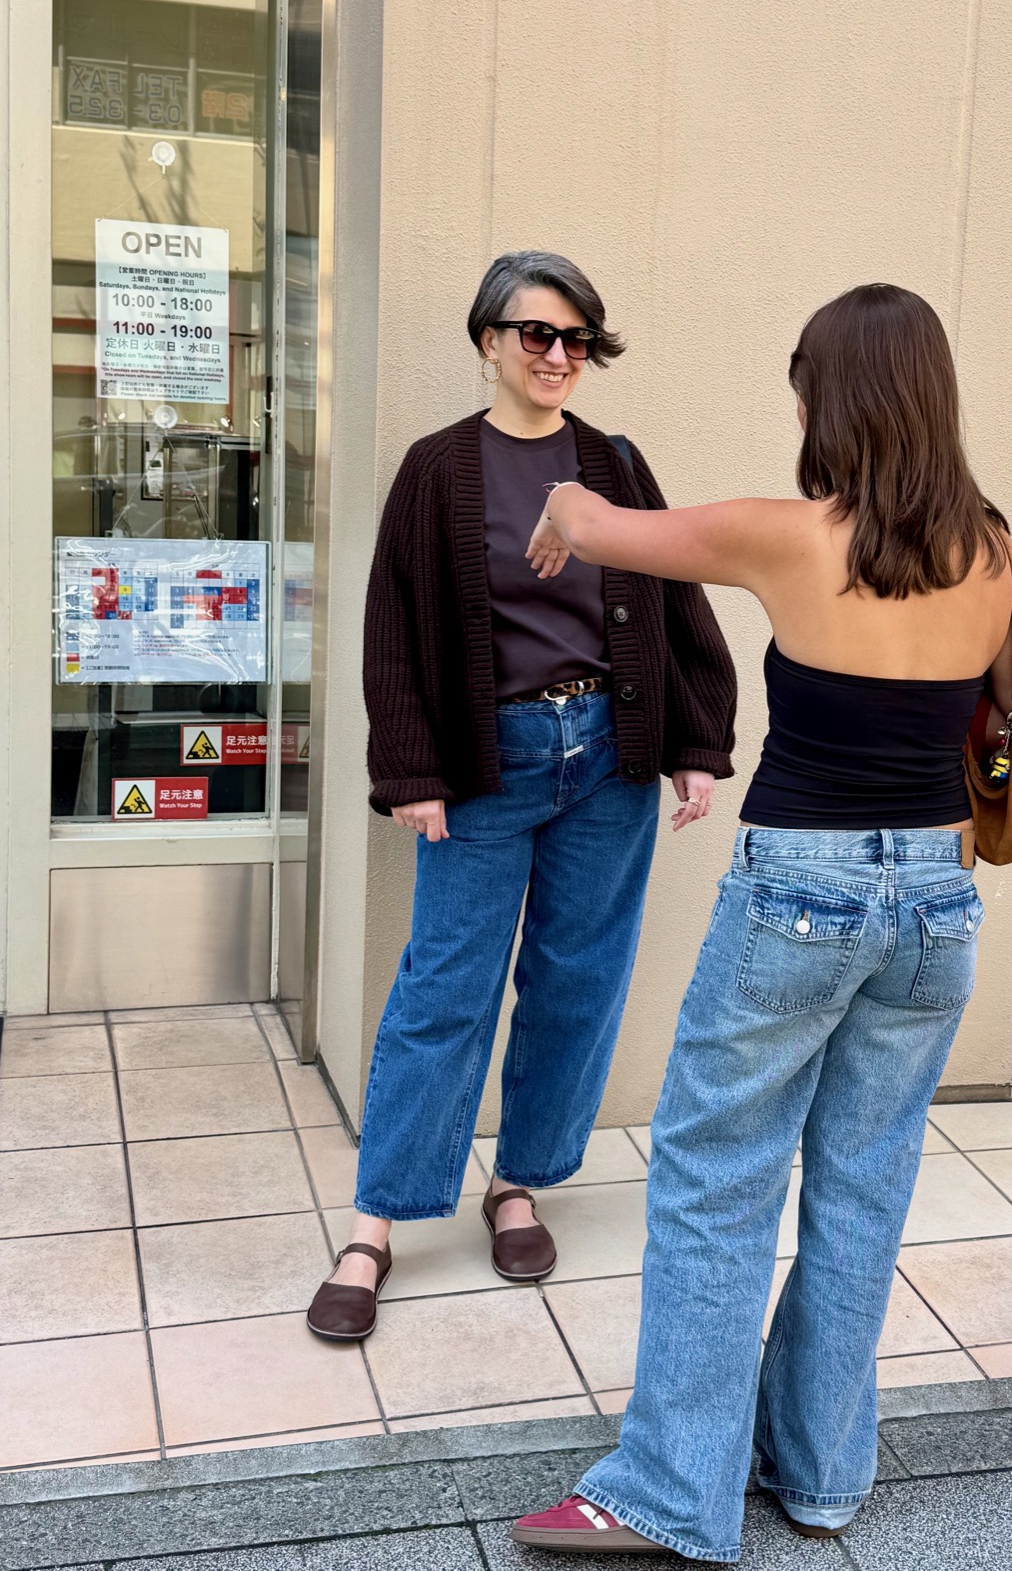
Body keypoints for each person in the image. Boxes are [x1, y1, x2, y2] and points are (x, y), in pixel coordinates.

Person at [511, 283, 1012, 1560]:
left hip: (797, 896)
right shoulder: (987, 546)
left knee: (715, 1186)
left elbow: (609, 527)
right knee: (862, 1189)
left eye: (802, 383)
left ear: (832, 398)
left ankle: (668, 1489)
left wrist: (558, 502)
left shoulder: (784, 534)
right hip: (935, 901)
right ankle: (819, 1475)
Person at [306, 251, 737, 1341]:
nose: (557, 355)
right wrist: (408, 771)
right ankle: (374, 1222)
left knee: (575, 979)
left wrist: (694, 741)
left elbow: (669, 595)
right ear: (488, 340)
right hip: (485, 762)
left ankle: (518, 1183)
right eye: (535, 334)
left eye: (576, 339)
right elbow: (393, 631)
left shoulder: (613, 463)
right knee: (444, 983)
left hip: (605, 753)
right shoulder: (436, 468)